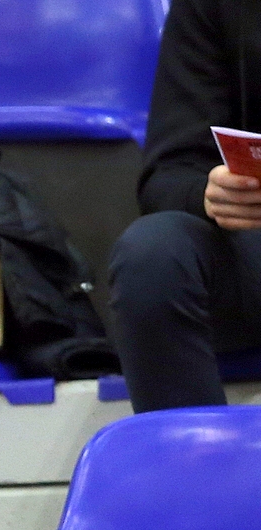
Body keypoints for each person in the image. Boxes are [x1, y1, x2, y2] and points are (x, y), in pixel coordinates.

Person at [107, 0, 261, 412]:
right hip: (252, 247)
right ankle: (188, 451)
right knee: (152, 252)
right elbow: (168, 174)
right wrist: (210, 196)